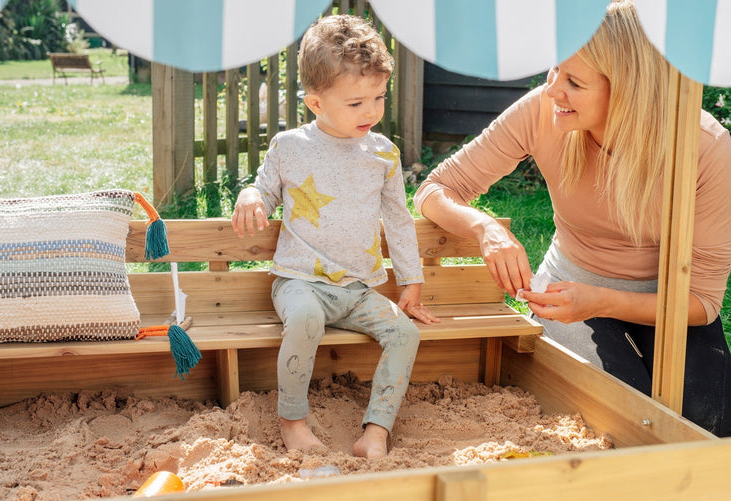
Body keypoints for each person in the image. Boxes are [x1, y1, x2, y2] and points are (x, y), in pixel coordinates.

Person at [414, 0, 731, 436]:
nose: (552, 91)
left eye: (574, 82)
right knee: (628, 419)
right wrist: (484, 227)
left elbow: (704, 302)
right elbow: (434, 190)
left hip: (668, 301)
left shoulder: (705, 147)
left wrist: (601, 299)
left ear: (626, 89)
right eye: (553, 71)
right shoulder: (542, 112)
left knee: (709, 425)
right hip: (567, 296)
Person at [231, 14, 439, 458]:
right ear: (317, 103)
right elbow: (265, 191)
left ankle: (376, 431)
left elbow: (399, 219)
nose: (372, 112)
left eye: (379, 97)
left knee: (405, 334)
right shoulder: (289, 146)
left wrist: (411, 282)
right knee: (305, 320)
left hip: (360, 290)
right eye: (356, 103)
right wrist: (250, 194)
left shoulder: (382, 154)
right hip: (300, 283)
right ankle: (292, 421)